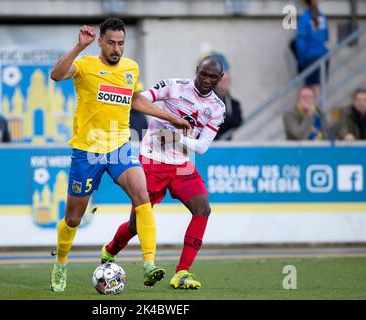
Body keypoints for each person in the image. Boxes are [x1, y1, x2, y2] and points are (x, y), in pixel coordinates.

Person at [49, 18, 191, 292]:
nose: (116, 48)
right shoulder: (87, 66)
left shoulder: (130, 68)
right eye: (111, 43)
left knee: (142, 196)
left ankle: (149, 264)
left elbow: (134, 98)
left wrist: (170, 117)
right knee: (73, 219)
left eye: (121, 43)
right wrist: (78, 47)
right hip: (87, 151)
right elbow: (56, 75)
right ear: (100, 42)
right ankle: (61, 263)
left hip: (119, 147)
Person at [100, 55, 226, 289]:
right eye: (203, 74)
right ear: (196, 70)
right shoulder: (173, 86)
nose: (207, 80)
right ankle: (109, 251)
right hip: (151, 162)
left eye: (213, 77)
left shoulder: (217, 108)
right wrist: (163, 116)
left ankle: (182, 272)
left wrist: (172, 136)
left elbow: (202, 147)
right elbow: (139, 101)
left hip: (182, 165)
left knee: (203, 209)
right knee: (136, 225)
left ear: (221, 78)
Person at [295, 0, 329, 100]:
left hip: (310, 57)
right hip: (323, 55)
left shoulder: (305, 18)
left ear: (305, 4)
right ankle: (317, 111)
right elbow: (326, 37)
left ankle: (315, 113)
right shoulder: (322, 16)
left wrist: (301, 61)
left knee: (311, 90)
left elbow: (300, 42)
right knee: (318, 88)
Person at [210, 53, 242, 140]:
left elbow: (238, 121)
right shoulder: (206, 100)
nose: (225, 83)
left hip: (224, 145)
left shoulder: (234, 104)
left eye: (227, 80)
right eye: (222, 80)